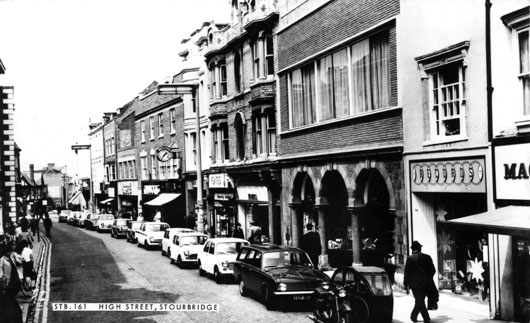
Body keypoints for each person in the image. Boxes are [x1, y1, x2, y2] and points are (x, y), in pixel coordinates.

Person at [404, 240, 436, 323]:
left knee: (419, 300)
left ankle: (417, 317)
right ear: (420, 248)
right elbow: (433, 270)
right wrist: (428, 278)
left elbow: (407, 272)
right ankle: (421, 317)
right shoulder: (427, 257)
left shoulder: (410, 258)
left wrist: (406, 283)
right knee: (420, 300)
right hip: (426, 283)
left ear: (412, 249)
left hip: (414, 285)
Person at [0, 242, 23, 323]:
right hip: (7, 282)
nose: (10, 253)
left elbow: (15, 267)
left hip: (13, 281)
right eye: (9, 252)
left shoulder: (11, 258)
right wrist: (3, 281)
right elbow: (1, 272)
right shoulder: (2, 260)